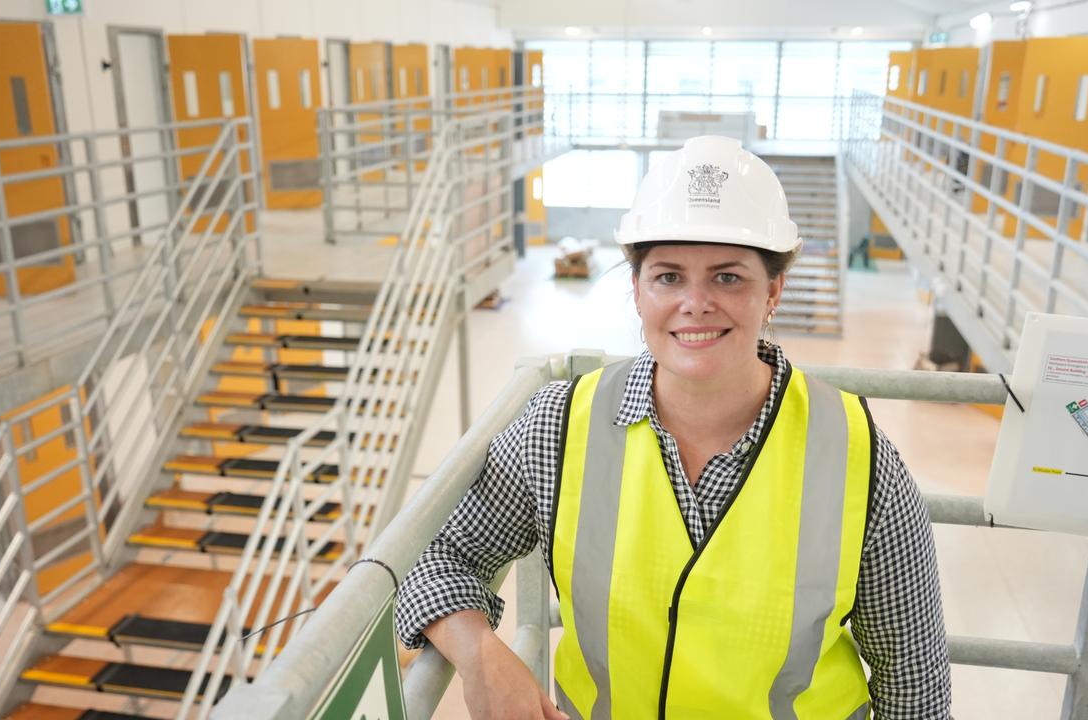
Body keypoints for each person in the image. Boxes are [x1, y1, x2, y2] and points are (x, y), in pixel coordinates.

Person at [396, 135, 951, 719]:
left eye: (728, 278)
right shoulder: (559, 431)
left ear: (774, 292)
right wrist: (482, 656)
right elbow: (439, 555)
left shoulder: (858, 460)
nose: (695, 303)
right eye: (667, 277)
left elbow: (914, 685)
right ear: (636, 291)